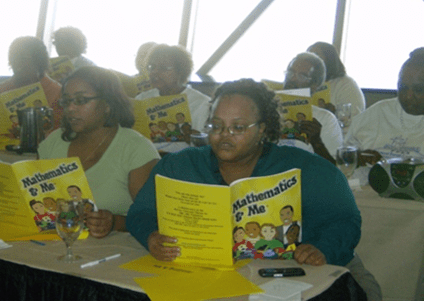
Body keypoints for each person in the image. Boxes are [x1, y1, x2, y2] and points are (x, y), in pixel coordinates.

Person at [127, 78, 379, 299]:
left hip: (303, 278)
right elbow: (141, 213)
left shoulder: (309, 169)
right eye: (216, 126)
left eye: (238, 128)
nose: (223, 135)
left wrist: (323, 248)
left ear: (263, 129)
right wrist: (150, 236)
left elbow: (346, 220)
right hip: (208, 277)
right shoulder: (179, 166)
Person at [37, 66, 160, 238]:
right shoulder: (53, 142)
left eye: (81, 100)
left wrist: (114, 222)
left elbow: (153, 216)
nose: (70, 109)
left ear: (108, 104)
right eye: (66, 101)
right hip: (55, 244)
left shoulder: (136, 148)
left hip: (114, 250)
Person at [344, 48, 424, 182]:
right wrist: (358, 157)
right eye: (403, 87)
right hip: (368, 191)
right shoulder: (378, 112)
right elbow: (345, 155)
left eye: (418, 89)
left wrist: (386, 163)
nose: (408, 96)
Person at [135, 44, 211, 145]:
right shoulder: (142, 99)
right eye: (151, 67)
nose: (154, 72)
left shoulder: (203, 103)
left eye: (163, 68)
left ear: (181, 71)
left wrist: (197, 139)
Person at [282, 52, 343, 164]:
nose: (292, 79)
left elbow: (334, 170)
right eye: (290, 73)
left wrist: (316, 142)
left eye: (302, 76)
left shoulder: (325, 119)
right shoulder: (265, 111)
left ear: (314, 86)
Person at [0, 36, 62, 129]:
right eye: (13, 57)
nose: (17, 63)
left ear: (39, 61)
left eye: (23, 58)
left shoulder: (57, 92)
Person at [307, 42, 365, 118]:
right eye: (308, 56)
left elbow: (354, 118)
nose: (311, 60)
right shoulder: (305, 83)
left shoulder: (346, 84)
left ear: (330, 59)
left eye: (316, 55)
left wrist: (333, 114)